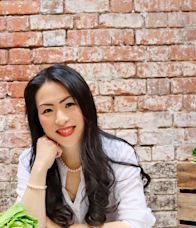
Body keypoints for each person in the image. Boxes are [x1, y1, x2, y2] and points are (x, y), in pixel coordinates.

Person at [16, 64, 156, 228]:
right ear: (37, 118)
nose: (61, 119)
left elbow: (137, 223)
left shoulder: (118, 153)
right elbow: (27, 225)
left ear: (85, 105)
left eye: (69, 104)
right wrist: (39, 168)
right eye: (47, 110)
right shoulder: (30, 160)